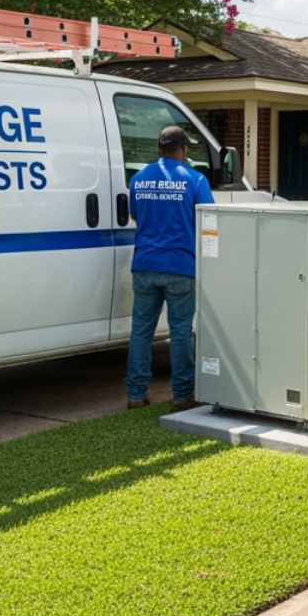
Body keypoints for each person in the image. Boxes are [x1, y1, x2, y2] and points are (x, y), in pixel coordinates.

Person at [125, 125, 214, 412]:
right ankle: (182, 396)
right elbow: (209, 221)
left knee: (141, 331)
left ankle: (136, 396)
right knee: (180, 332)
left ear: (159, 149)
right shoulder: (196, 180)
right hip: (180, 266)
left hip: (145, 265)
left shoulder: (138, 179)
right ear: (184, 150)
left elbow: (136, 215)